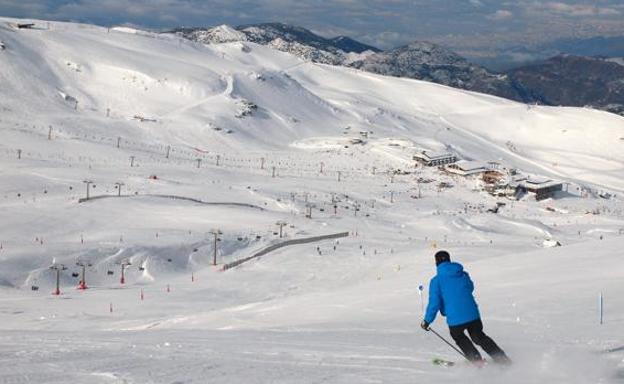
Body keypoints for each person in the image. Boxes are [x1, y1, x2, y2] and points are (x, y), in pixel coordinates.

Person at [420, 250, 511, 364]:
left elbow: (434, 303)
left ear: (436, 263)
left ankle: (477, 361)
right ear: (449, 260)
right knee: (479, 337)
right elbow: (470, 287)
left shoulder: (436, 281)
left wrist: (427, 320)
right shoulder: (462, 274)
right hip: (473, 314)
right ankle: (502, 359)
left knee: (458, 336)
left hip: (455, 318)